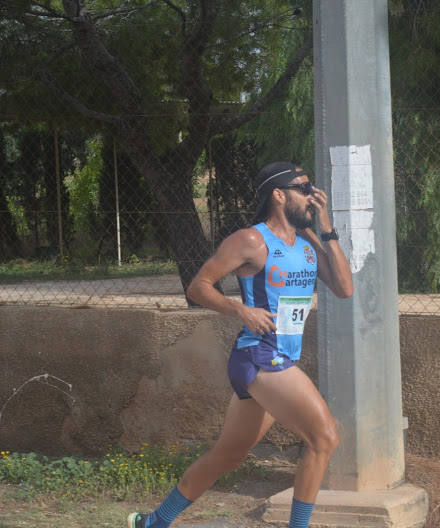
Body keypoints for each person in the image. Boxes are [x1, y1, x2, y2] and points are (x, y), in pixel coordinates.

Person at [127, 161, 354, 528]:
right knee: (324, 438)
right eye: (303, 189)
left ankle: (154, 522)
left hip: (275, 359)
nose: (312, 196)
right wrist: (240, 310)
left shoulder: (308, 242)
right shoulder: (251, 240)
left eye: (312, 189)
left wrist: (326, 231)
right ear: (278, 195)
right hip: (261, 356)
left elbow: (345, 289)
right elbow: (198, 287)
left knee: (227, 456)